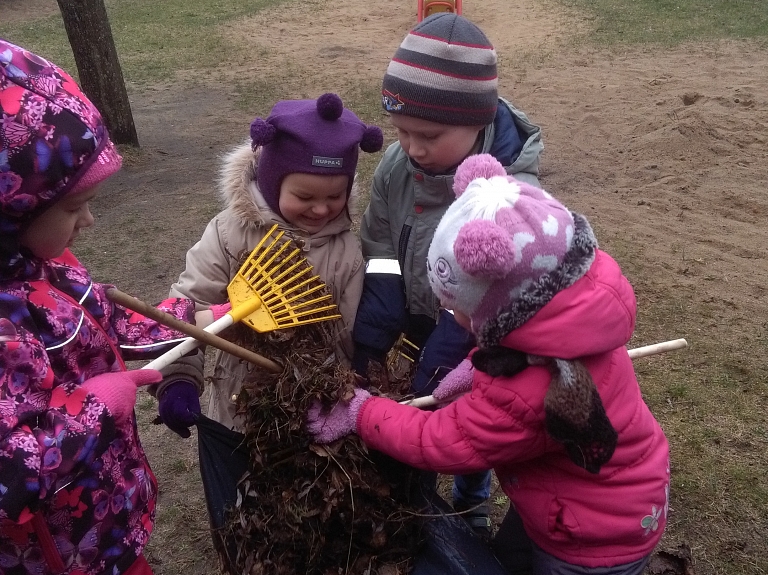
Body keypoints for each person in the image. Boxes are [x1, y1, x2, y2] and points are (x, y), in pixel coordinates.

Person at [307, 154, 671, 575]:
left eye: (460, 310)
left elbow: (440, 439)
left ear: (504, 309)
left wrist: (361, 411)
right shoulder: (575, 326)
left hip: (594, 542)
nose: (455, 319)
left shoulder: (523, 396)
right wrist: (474, 370)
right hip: (586, 497)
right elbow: (519, 356)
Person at [0, 39, 211, 575]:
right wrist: (92, 408)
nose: (89, 221)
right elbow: (10, 478)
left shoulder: (45, 264)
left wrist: (197, 319)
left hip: (104, 527)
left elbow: (109, 319)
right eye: (74, 207)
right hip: (56, 558)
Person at [352, 12, 544, 536]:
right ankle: (417, 496)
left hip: (478, 333)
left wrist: (456, 335)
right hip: (415, 316)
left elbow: (502, 287)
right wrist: (382, 303)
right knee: (418, 407)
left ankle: (471, 502)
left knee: (466, 415)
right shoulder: (398, 166)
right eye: (401, 131)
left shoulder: (509, 193)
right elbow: (378, 236)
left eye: (429, 135)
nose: (412, 147)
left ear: (476, 122)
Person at [156, 92, 383, 436]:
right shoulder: (230, 233)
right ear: (271, 181)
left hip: (310, 409)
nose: (321, 209)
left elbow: (346, 334)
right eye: (305, 197)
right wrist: (178, 379)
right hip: (238, 406)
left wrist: (348, 389)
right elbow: (187, 307)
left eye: (335, 197)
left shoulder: (346, 250)